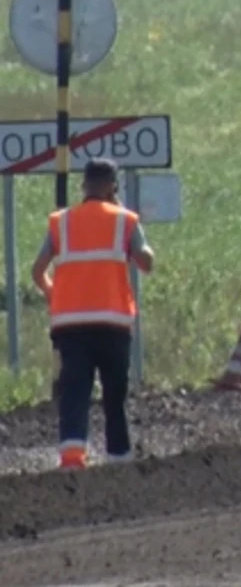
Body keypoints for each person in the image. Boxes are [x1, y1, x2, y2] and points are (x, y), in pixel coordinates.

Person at [29, 158, 154, 469]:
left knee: (74, 390)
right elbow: (147, 262)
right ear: (113, 185)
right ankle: (119, 457)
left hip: (70, 325)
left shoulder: (62, 222)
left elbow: (37, 270)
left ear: (83, 184)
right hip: (113, 324)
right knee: (114, 394)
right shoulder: (125, 220)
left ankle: (72, 456)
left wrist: (51, 292)